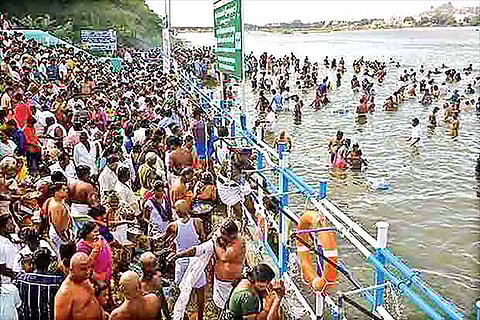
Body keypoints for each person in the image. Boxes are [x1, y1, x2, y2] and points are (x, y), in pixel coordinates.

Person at [168, 219, 246, 311]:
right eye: (222, 236)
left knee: (231, 308)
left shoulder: (238, 243)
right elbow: (197, 249)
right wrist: (178, 255)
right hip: (219, 282)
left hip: (230, 283)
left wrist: (216, 242)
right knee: (221, 306)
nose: (222, 238)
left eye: (225, 237)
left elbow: (224, 257)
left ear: (233, 235)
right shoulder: (220, 237)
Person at [165, 199, 206, 320]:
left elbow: (164, 239)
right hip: (195, 261)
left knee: (180, 292)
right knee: (200, 290)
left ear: (176, 213)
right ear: (188, 209)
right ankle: (200, 316)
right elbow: (202, 240)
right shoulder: (198, 222)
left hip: (181, 262)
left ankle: (182, 315)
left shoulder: (173, 226)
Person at [54, 252, 106, 320]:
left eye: (88, 267)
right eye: (83, 269)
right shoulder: (66, 292)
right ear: (72, 271)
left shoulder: (85, 280)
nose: (87, 272)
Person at [17, 248, 64, 320]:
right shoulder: (56, 281)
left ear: (33, 263)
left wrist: (26, 267)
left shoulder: (22, 279)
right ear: (49, 263)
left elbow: (19, 275)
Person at [140, 252, 171, 320]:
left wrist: (168, 316)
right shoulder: (139, 286)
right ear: (146, 269)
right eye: (154, 265)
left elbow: (163, 301)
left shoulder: (157, 279)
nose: (157, 266)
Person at [43, 182, 72, 255]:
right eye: (63, 189)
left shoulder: (50, 200)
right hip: (59, 235)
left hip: (56, 231)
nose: (66, 191)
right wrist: (64, 238)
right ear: (56, 192)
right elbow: (58, 226)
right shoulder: (57, 206)